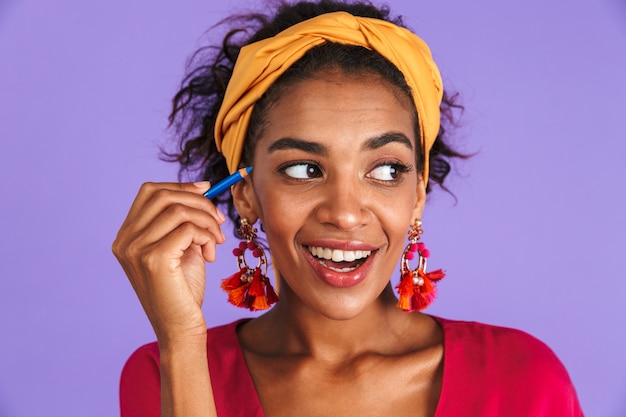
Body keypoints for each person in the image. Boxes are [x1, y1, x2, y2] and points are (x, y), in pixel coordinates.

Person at [112, 1, 584, 416]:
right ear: (244, 194)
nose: (345, 213)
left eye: (385, 170)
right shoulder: (162, 370)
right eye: (302, 170)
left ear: (417, 193)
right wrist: (182, 342)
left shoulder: (525, 379)